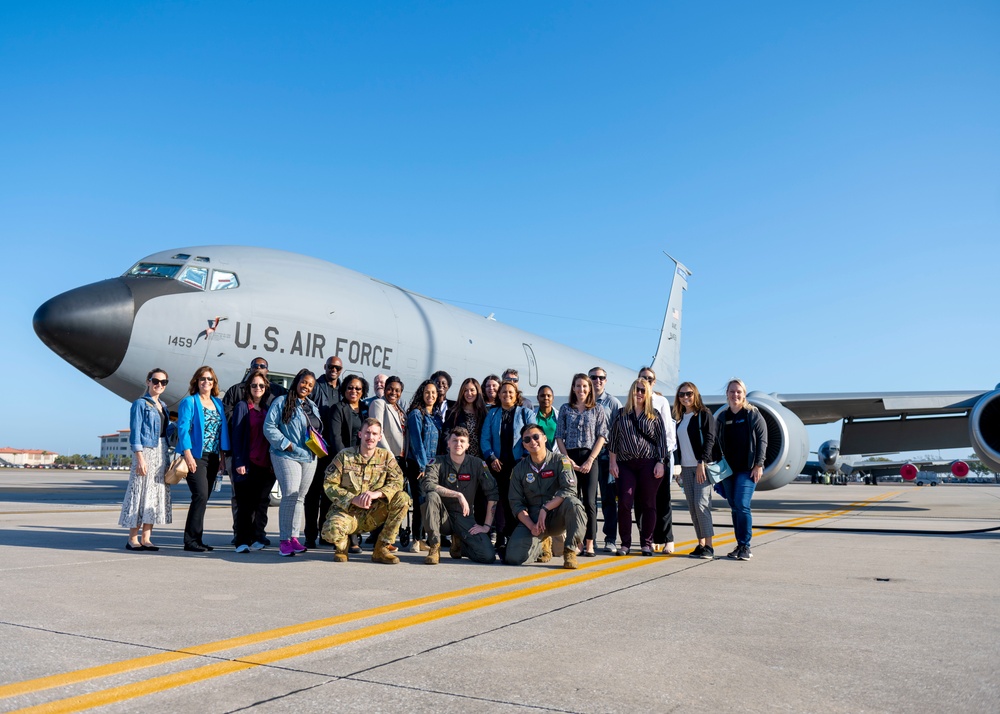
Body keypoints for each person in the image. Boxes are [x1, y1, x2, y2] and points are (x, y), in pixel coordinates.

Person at [321, 418, 411, 564]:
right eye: (367, 433)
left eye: (375, 434)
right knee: (330, 530)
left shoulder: (387, 457)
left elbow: (397, 482)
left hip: (375, 512)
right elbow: (329, 484)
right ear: (360, 434)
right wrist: (351, 499)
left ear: (380, 437)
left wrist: (378, 494)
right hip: (348, 512)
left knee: (403, 498)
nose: (371, 437)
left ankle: (381, 548)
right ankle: (342, 545)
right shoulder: (344, 456)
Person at [222, 357, 285, 546]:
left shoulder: (274, 394)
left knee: (262, 499)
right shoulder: (237, 391)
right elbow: (227, 417)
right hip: (243, 455)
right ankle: (240, 534)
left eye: (262, 366)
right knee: (240, 499)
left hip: (266, 459)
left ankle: (259, 533)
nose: (259, 368)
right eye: (256, 366)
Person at [505, 423, 585, 569]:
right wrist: (531, 525)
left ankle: (570, 550)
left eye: (536, 437)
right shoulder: (519, 469)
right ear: (523, 444)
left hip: (556, 516)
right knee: (513, 558)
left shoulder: (561, 461)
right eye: (527, 440)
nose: (532, 442)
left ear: (545, 438)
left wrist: (545, 508)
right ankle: (542, 544)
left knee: (574, 504)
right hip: (534, 519)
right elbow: (515, 502)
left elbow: (569, 490)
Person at [263, 369, 322, 557]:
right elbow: (269, 427)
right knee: (290, 494)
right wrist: (285, 444)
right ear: (297, 381)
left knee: (300, 497)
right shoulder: (281, 402)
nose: (306, 386)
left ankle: (294, 537)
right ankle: (284, 540)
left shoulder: (312, 406)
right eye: (304, 382)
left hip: (309, 456)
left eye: (310, 385)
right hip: (286, 454)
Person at [419, 427, 498, 564]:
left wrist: (486, 526)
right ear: (448, 443)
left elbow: (493, 492)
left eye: (462, 441)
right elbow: (427, 484)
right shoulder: (436, 462)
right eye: (454, 440)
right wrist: (457, 495)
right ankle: (434, 546)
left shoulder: (477, 464)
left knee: (488, 556)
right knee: (431, 496)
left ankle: (460, 546)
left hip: (464, 517)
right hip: (442, 516)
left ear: (468, 445)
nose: (458, 444)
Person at [608, 379, 669, 556]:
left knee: (648, 504)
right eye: (636, 389)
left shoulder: (654, 416)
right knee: (625, 502)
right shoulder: (621, 414)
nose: (639, 393)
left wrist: (660, 462)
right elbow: (613, 441)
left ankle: (646, 543)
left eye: (643, 390)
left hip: (649, 464)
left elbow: (662, 443)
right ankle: (625, 543)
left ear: (648, 393)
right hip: (626, 464)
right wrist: (613, 463)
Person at [119, 368, 175, 551]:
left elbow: (167, 432)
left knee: (154, 496)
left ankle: (147, 538)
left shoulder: (164, 406)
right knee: (140, 493)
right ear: (148, 382)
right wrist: (140, 458)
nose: (159, 385)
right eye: (155, 381)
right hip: (146, 451)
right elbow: (135, 433)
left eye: (163, 382)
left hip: (161, 451)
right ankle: (132, 538)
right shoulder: (140, 404)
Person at [177, 365, 230, 552]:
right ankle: (190, 541)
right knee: (199, 496)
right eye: (202, 379)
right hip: (196, 456)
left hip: (214, 456)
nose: (205, 382)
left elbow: (220, 432)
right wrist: (188, 455)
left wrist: (223, 458)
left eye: (209, 379)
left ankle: (197, 540)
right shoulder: (190, 402)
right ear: (196, 382)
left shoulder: (217, 403)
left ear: (213, 383)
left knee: (204, 497)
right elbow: (183, 430)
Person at [555, 373, 609, 557]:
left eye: (585, 386)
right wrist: (566, 458)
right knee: (573, 501)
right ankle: (576, 542)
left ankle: (590, 542)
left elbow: (602, 436)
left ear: (590, 389)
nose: (581, 390)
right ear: (573, 388)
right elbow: (559, 435)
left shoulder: (597, 409)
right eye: (578, 386)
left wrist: (590, 460)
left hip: (589, 457)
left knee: (589, 502)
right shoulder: (565, 408)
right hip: (569, 457)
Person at [481, 380, 536, 554]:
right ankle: (502, 537)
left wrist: (525, 456)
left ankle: (517, 535)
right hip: (498, 464)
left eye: (511, 392)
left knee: (517, 500)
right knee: (502, 500)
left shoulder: (525, 412)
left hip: (519, 464)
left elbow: (533, 435)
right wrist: (491, 457)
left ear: (516, 394)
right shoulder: (492, 414)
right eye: (503, 392)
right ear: (499, 395)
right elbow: (485, 438)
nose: (507, 395)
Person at [715, 378, 767, 561]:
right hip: (728, 470)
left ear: (744, 394)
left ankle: (746, 546)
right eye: (732, 391)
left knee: (742, 504)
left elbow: (762, 440)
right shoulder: (722, 417)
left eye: (738, 391)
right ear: (727, 394)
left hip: (747, 469)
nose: (735, 395)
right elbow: (716, 444)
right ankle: (739, 545)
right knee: (734, 506)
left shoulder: (752, 414)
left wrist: (759, 464)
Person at [230, 369, 276, 552]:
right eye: (254, 385)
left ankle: (257, 537)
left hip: (264, 464)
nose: (258, 388)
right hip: (247, 463)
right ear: (248, 387)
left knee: (260, 504)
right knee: (244, 505)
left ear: (266, 388)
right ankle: (242, 540)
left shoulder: (267, 409)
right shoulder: (242, 406)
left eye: (261, 385)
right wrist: (239, 461)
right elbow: (237, 435)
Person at [673, 381, 717, 559]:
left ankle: (709, 546)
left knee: (701, 504)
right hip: (686, 467)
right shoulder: (680, 419)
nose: (685, 397)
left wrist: (702, 462)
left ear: (695, 394)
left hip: (701, 467)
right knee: (692, 506)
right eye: (682, 394)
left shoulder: (704, 414)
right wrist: (679, 469)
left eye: (689, 394)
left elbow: (710, 439)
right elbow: (678, 446)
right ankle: (700, 544)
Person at [303, 356, 342, 548]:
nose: (333, 370)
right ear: (324, 367)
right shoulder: (316, 387)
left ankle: (325, 534)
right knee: (312, 494)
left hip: (333, 451)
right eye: (330, 366)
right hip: (316, 448)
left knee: (329, 494)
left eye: (337, 367)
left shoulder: (342, 390)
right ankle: (310, 535)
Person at [638, 366, 678, 554]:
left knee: (663, 498)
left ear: (654, 382)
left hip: (659, 456)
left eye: (650, 379)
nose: (646, 381)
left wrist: (663, 457)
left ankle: (667, 538)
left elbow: (668, 432)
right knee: (643, 500)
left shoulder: (661, 401)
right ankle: (648, 537)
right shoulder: (634, 401)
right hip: (640, 458)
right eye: (643, 378)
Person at [589, 366, 623, 553]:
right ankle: (590, 538)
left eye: (601, 377)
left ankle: (610, 539)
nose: (597, 380)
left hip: (607, 458)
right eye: (593, 377)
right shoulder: (583, 401)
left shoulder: (613, 403)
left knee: (609, 500)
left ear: (606, 380)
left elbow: (618, 433)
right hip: (588, 459)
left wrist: (615, 460)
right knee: (589, 500)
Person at [405, 379, 441, 552]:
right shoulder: (416, 414)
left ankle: (424, 538)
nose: (431, 396)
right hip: (418, 465)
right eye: (427, 392)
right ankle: (416, 539)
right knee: (420, 501)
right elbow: (416, 442)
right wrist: (421, 465)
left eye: (433, 393)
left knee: (428, 501)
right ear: (421, 393)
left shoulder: (436, 416)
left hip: (432, 466)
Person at [444, 378, 487, 458]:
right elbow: (446, 436)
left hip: (480, 459)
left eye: (472, 390)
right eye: (465, 390)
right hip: (460, 458)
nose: (469, 393)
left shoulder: (484, 414)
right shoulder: (453, 413)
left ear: (478, 392)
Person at [368, 376, 406, 462]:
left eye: (397, 391)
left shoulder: (399, 408)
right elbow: (377, 432)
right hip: (385, 457)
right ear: (385, 390)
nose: (393, 393)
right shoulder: (379, 404)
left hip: (400, 457)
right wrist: (389, 456)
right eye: (390, 389)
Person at [534, 385, 558, 450]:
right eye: (542, 396)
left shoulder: (559, 416)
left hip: (557, 454)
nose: (546, 398)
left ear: (553, 398)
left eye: (549, 396)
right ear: (537, 398)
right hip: (538, 453)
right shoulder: (532, 416)